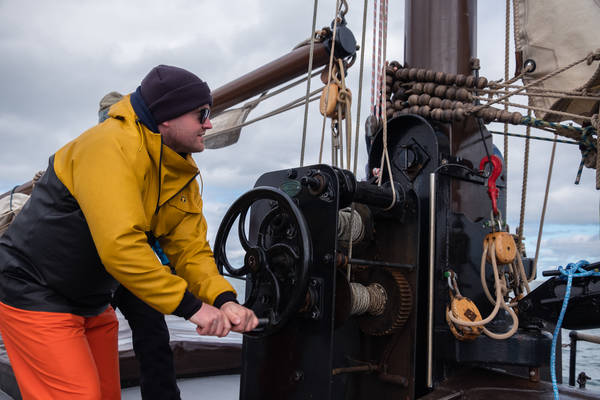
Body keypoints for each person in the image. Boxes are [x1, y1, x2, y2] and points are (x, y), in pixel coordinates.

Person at [0, 65, 258, 399]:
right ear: (167, 116)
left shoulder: (179, 171)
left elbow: (191, 251)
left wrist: (224, 299)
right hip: (33, 290)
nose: (209, 123)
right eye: (202, 114)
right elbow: (120, 246)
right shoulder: (109, 146)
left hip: (91, 301)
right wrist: (193, 308)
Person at [101, 90, 182, 400]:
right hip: (101, 267)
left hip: (139, 268)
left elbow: (161, 224)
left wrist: (163, 268)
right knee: (98, 332)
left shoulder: (152, 159)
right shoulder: (97, 156)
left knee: (153, 337)